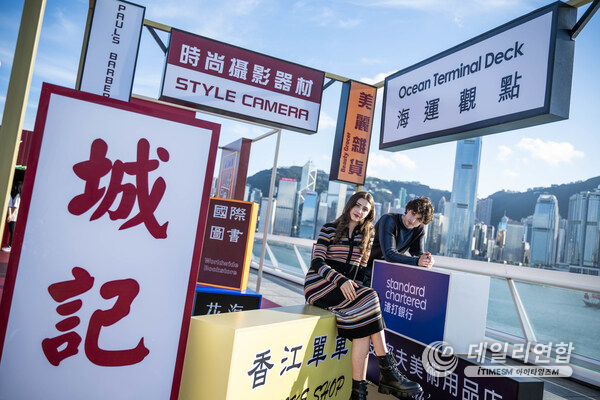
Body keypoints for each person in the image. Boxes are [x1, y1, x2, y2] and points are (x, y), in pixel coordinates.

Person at [304, 191, 422, 400]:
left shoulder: (366, 236)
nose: (359, 211)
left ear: (369, 214)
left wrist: (357, 292)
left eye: (365, 209)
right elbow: (317, 262)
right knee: (370, 298)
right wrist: (340, 281)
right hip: (319, 284)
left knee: (365, 327)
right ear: (350, 205)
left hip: (344, 291)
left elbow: (359, 273)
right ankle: (389, 371)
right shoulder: (329, 228)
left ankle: (358, 392)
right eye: (357, 205)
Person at [360, 197, 435, 286]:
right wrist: (417, 261)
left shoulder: (419, 229)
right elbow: (389, 254)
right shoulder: (389, 219)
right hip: (366, 269)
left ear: (423, 222)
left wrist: (426, 260)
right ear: (408, 209)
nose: (413, 220)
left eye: (419, 219)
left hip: (388, 272)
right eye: (413, 213)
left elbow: (417, 253)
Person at [2, 181, 22, 252]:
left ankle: (11, 246)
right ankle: (10, 246)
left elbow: (16, 207)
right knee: (12, 230)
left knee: (12, 231)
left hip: (14, 216)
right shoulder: (17, 195)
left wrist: (11, 215)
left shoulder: (17, 196)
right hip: (13, 216)